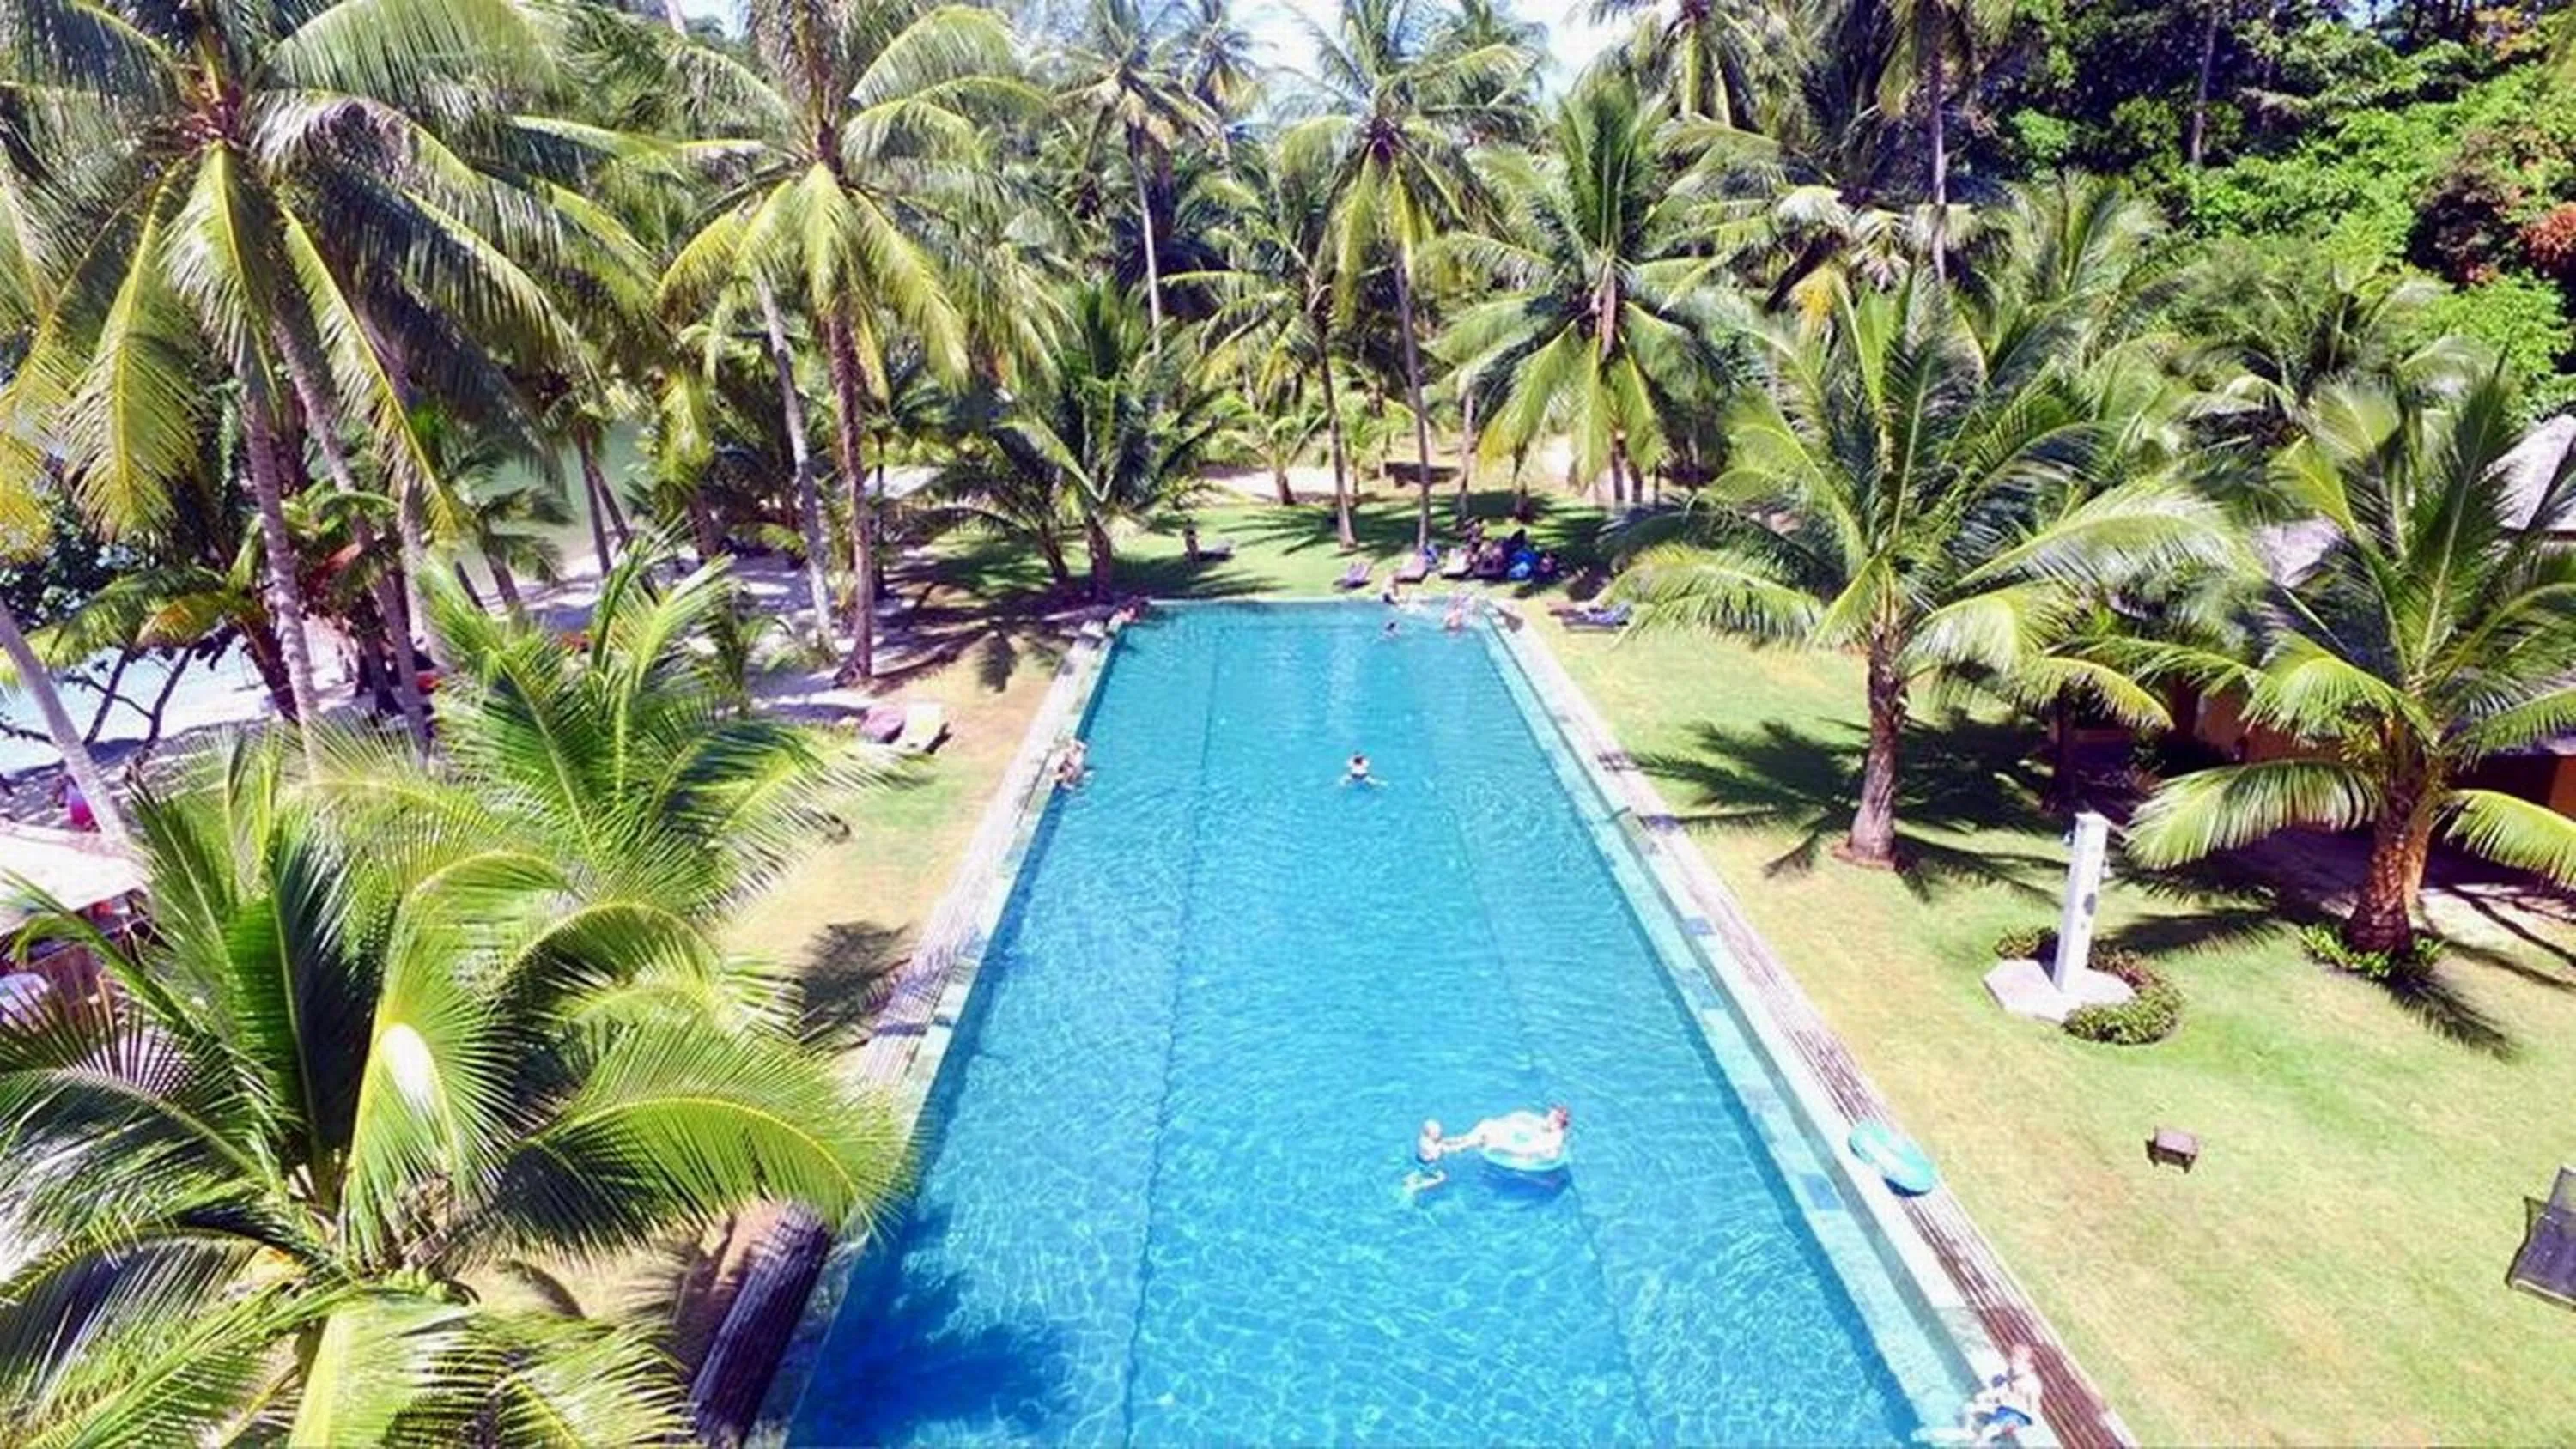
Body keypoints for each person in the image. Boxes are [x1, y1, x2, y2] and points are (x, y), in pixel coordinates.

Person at [1963, 1344, 2043, 1446]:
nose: (2013, 1361)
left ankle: (1983, 1445)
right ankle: (1967, 1433)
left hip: (2017, 1414)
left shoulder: (2032, 1385)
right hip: (2002, 1408)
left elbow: (2034, 1409)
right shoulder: (2011, 1373)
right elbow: (2002, 1390)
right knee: (1968, 1408)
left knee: (1987, 1432)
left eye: (2018, 1360)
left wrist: (2019, 1425)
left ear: (2030, 1366)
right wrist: (1987, 1396)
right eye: (2012, 1357)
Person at [1404, 1119, 1449, 1195]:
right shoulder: (1429, 1145)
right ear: (1430, 1134)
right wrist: (1442, 1148)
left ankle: (1410, 1178)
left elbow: (1440, 1141)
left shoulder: (1422, 1139)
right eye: (1437, 1133)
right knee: (1441, 1177)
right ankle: (1416, 1187)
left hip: (1419, 1160)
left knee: (1421, 1171)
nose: (1440, 1135)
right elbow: (1436, 1157)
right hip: (1429, 1165)